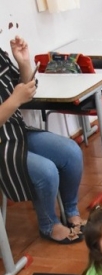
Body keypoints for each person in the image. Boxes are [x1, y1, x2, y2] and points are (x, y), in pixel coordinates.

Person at [0, 36, 85, 244]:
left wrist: (23, 62)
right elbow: (16, 99)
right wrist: (14, 100)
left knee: (71, 152)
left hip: (16, 131)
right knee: (46, 171)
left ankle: (70, 210)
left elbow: (26, 89)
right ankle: (49, 224)